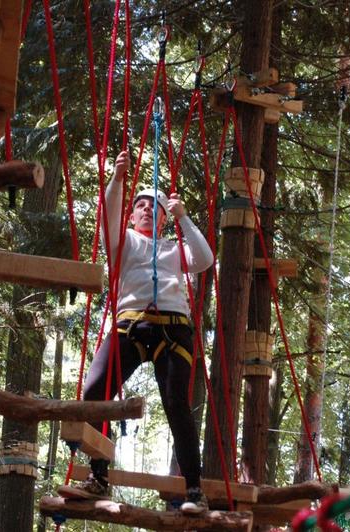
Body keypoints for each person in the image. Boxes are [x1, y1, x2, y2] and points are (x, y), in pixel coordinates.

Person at [58, 151, 214, 514]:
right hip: (131, 326)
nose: (146, 210)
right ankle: (99, 476)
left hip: (173, 331)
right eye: (140, 205)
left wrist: (184, 218)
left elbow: (204, 260)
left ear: (163, 218)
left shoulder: (177, 250)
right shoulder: (124, 243)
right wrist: (117, 180)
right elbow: (106, 222)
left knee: (176, 403)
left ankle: (194, 490)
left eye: (154, 208)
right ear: (131, 215)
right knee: (94, 393)